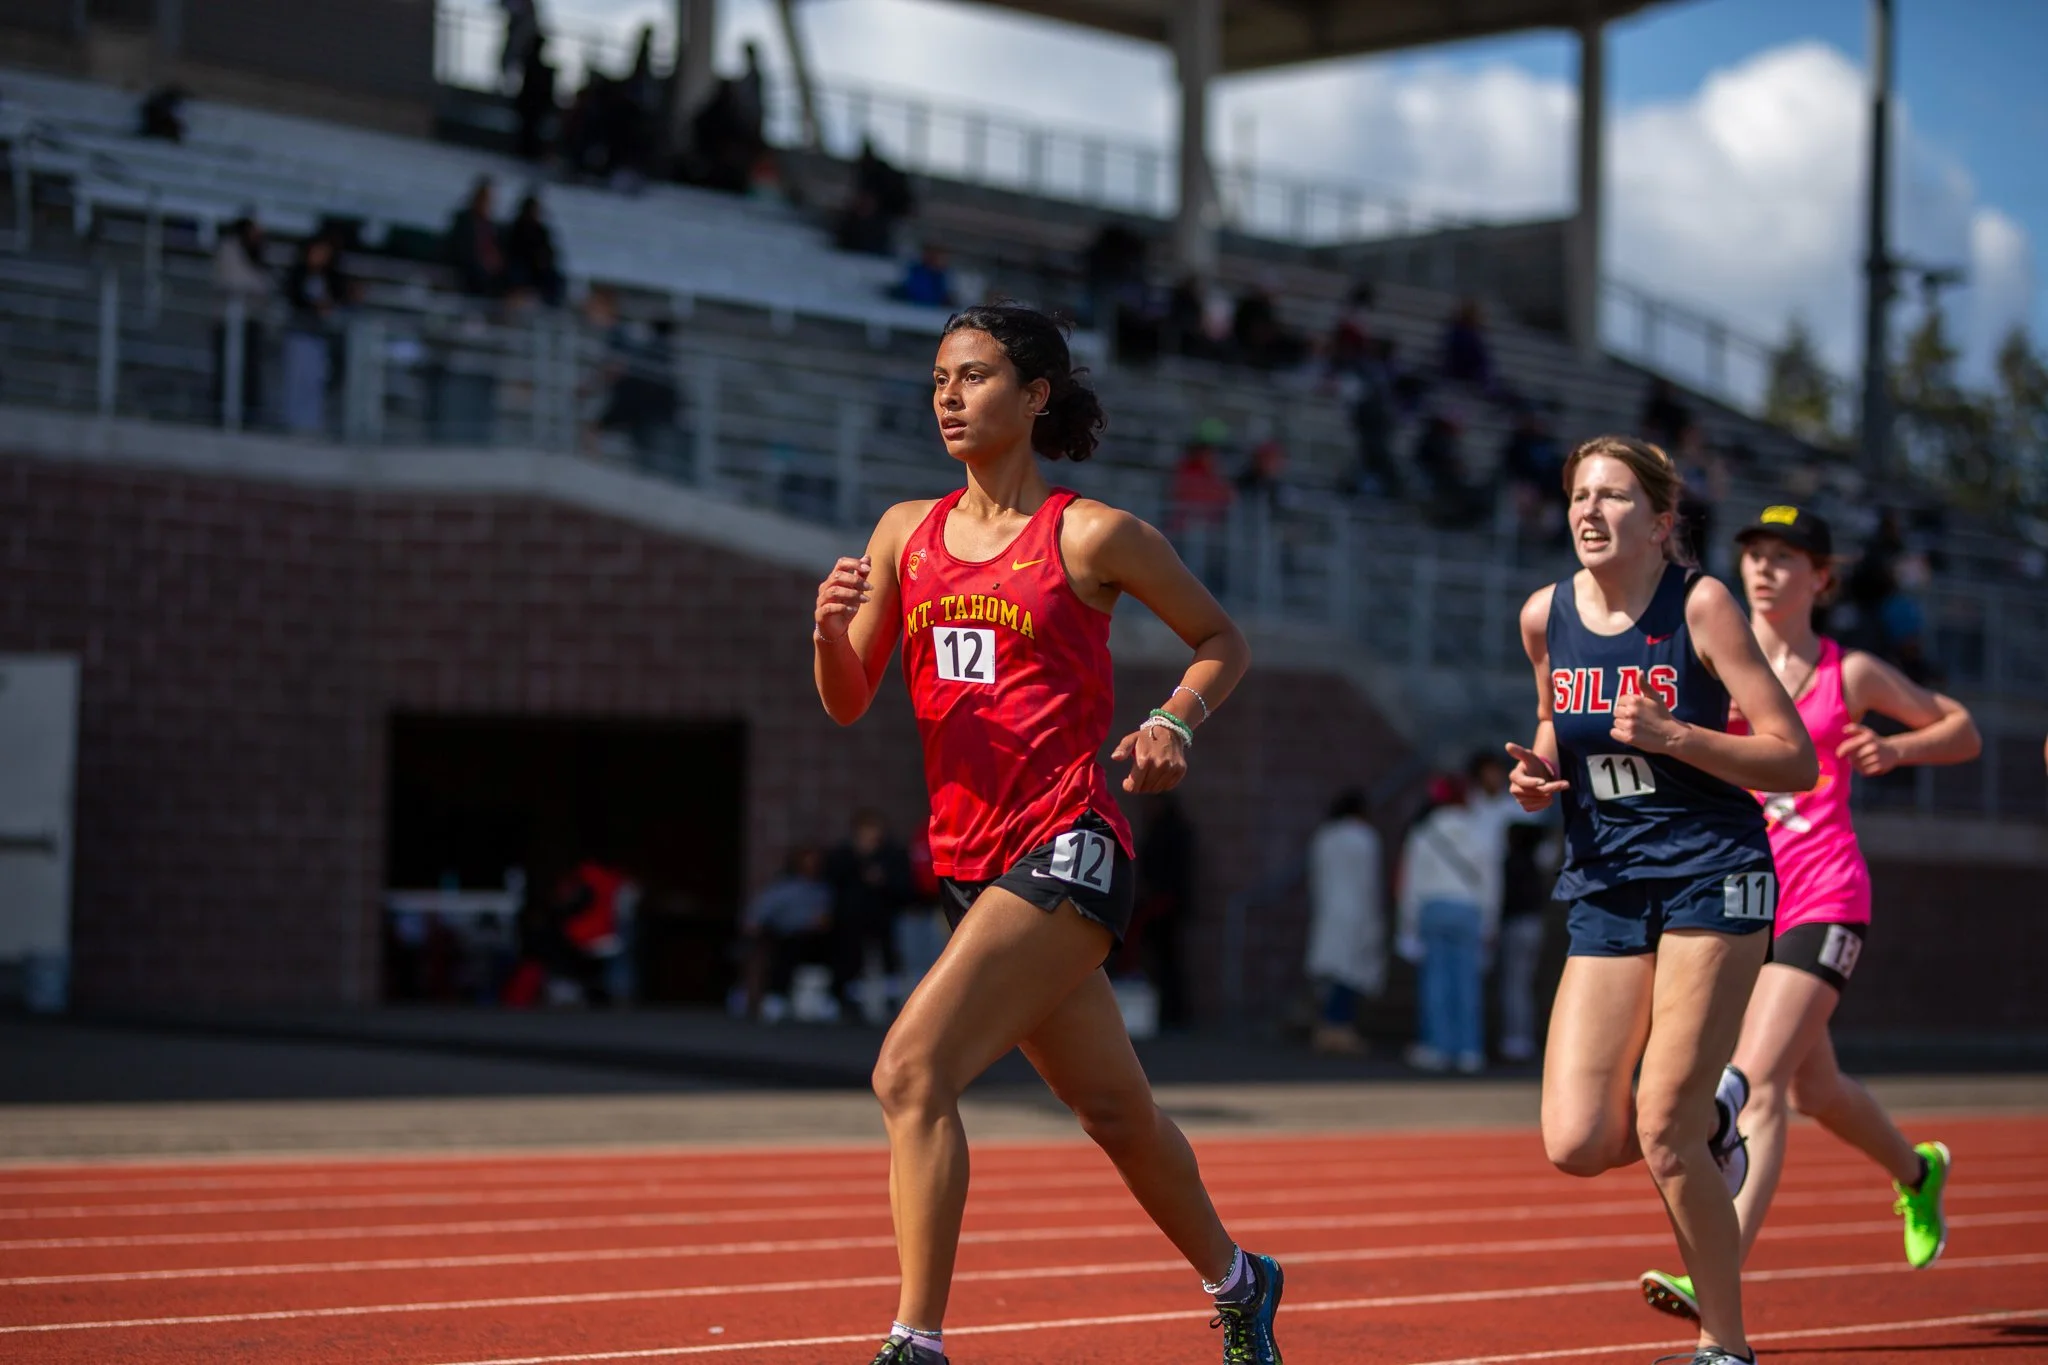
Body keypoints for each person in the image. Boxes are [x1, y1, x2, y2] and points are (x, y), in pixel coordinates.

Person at [811, 302, 1281, 1364]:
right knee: (1114, 1112)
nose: (946, 396)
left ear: (1033, 398)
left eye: (972, 377)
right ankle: (1240, 1279)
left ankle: (914, 1340)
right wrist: (826, 632)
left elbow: (1220, 639)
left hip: (1068, 842)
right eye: (937, 377)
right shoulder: (902, 533)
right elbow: (847, 698)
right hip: (967, 865)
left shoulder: (1090, 533)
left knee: (908, 1074)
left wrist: (1171, 719)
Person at [1504, 434, 1817, 1365]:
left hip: (1710, 868)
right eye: (1578, 497)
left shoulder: (1703, 605)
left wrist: (1680, 734)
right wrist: (1537, 772)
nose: (1589, 512)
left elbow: (1792, 758)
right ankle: (1723, 1117)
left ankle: (1724, 1345)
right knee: (1575, 1138)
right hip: (1605, 877)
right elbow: (1557, 721)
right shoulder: (1542, 614)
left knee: (1661, 1131)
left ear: (1661, 521)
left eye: (1612, 497)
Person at [1636, 505, 1979, 1323]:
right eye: (1754, 553)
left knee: (1752, 1084)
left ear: (1821, 577)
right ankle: (1919, 1172)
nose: (1763, 569)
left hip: (1826, 896)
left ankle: (1715, 1276)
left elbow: (1960, 729)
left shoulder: (1848, 671)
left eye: (1786, 557)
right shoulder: (1715, 664)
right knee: (1814, 1087)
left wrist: (1899, 748)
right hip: (1743, 897)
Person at [1395, 773, 1503, 1073]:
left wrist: (1407, 926)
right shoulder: (1478, 831)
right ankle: (1469, 1049)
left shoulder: (1423, 833)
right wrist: (1490, 922)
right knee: (1468, 984)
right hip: (1469, 909)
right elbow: (1491, 881)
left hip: (1433, 908)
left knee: (1435, 983)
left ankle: (1437, 1047)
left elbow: (1411, 883)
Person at [1469, 750, 1557, 1064]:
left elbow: (1545, 856)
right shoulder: (1470, 808)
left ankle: (1515, 1039)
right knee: (1478, 979)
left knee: (1516, 980)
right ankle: (1473, 1040)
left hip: (1516, 905)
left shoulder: (1516, 809)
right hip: (1479, 903)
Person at [1304, 788, 1384, 1055]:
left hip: (1328, 909)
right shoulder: (1364, 837)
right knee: (1348, 974)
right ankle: (1338, 1029)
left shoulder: (1325, 836)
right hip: (1355, 910)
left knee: (1332, 974)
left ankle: (1329, 1028)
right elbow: (1368, 882)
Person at [825, 810, 915, 1020]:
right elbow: (832, 880)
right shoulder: (845, 854)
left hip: (884, 916)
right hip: (850, 917)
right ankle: (847, 999)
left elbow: (904, 886)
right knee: (849, 957)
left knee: (888, 957)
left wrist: (883, 880)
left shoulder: (892, 855)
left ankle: (890, 999)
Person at [738, 847, 834, 1020]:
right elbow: (758, 912)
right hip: (787, 936)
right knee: (788, 950)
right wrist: (754, 926)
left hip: (817, 938)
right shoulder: (784, 888)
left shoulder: (823, 889)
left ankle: (825, 999)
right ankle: (776, 997)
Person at [212, 214, 271, 427]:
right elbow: (236, 282)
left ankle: (247, 416)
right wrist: (258, 288)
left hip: (250, 320)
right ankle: (223, 415)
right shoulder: (229, 249)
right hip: (230, 321)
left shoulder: (256, 253)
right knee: (228, 370)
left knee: (249, 373)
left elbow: (263, 285)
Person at [448, 178, 507, 299]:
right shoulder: (464, 220)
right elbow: (460, 248)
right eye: (484, 198)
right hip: (470, 267)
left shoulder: (493, 226)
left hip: (490, 270)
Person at [504, 192, 566, 307]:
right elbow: (512, 249)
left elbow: (549, 251)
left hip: (539, 269)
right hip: (520, 265)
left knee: (556, 278)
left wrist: (544, 258)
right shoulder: (516, 228)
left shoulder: (541, 231)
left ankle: (552, 306)